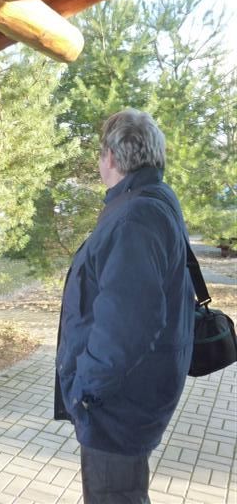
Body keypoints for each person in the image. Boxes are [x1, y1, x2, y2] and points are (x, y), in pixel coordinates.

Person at [55, 109, 195, 504]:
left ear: (111, 158)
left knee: (113, 496)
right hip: (134, 390)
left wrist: (86, 391)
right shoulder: (152, 199)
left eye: (100, 155)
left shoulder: (134, 216)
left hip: (117, 403)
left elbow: (128, 325)